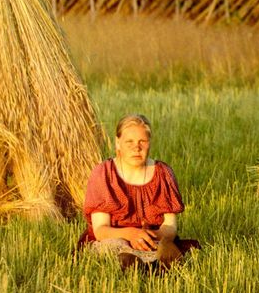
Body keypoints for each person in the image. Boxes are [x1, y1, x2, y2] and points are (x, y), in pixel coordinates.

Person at [81, 114, 197, 270]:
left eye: (142, 141)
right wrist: (132, 234)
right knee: (116, 246)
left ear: (149, 143)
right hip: (114, 237)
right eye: (129, 142)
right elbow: (101, 230)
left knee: (164, 247)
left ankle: (150, 265)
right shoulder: (103, 173)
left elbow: (170, 227)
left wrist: (147, 238)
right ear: (118, 143)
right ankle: (135, 264)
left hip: (152, 238)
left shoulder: (163, 173)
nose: (136, 147)